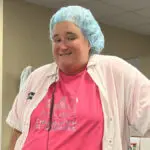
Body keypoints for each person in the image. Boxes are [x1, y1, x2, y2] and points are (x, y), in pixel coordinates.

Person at [6, 5, 150, 150]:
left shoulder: (114, 71)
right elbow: (18, 129)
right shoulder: (36, 78)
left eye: (70, 37)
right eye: (57, 40)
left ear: (89, 41)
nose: (62, 46)